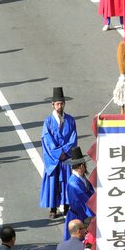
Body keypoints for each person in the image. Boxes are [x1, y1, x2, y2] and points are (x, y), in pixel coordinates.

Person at [40, 87, 78, 218]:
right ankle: (53, 208)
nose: (59, 106)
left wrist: (65, 152)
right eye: (57, 104)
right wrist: (58, 153)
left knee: (67, 182)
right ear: (53, 105)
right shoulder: (48, 121)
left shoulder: (71, 120)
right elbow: (47, 140)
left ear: (64, 104)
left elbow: (73, 139)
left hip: (66, 157)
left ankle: (67, 207)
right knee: (53, 182)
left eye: (61, 103)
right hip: (53, 157)